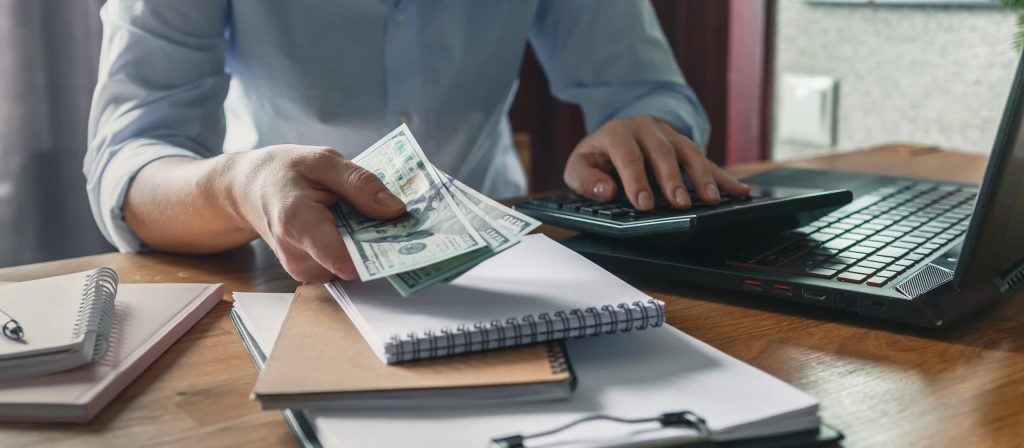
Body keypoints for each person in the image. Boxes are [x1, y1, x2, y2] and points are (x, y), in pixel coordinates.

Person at [85, 0, 749, 283]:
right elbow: (131, 158)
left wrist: (640, 131)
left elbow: (649, 94)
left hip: (505, 264)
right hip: (270, 273)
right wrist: (237, 188)